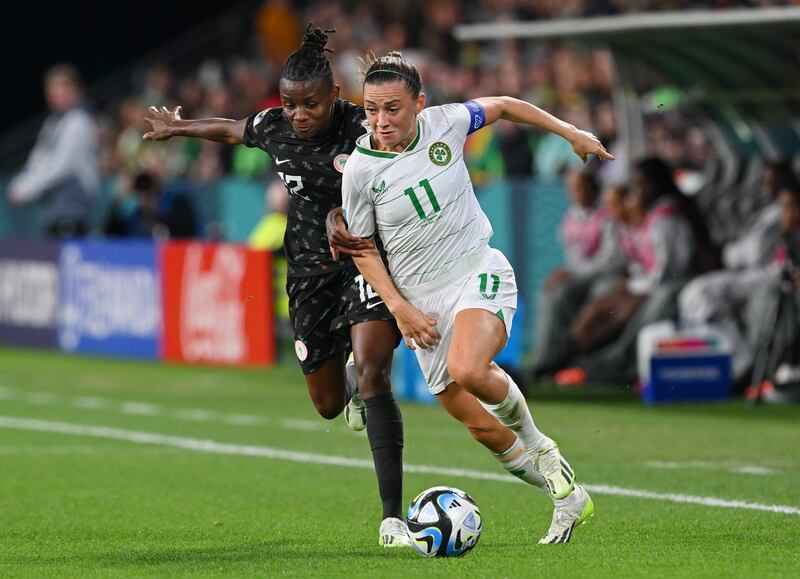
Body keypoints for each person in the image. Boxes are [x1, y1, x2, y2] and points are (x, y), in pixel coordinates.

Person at [143, 27, 410, 548]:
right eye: (290, 105)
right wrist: (181, 128)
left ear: (335, 95)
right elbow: (234, 129)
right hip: (309, 276)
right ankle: (350, 382)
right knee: (329, 404)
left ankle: (392, 518)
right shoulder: (275, 128)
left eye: (310, 104)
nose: (299, 115)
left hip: (366, 264)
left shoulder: (363, 128)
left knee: (377, 374)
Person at [333, 51, 612, 544]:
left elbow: (504, 105)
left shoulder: (447, 123)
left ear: (419, 103)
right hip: (420, 305)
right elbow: (363, 248)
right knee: (482, 429)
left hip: (475, 270)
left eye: (393, 108)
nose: (381, 120)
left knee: (468, 367)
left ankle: (542, 447)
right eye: (372, 109)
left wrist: (569, 132)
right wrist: (400, 308)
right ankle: (567, 499)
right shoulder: (359, 170)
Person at [530, 171, 627, 380]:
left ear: (594, 189)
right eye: (574, 189)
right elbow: (572, 256)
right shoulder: (570, 219)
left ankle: (559, 360)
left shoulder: (606, 218)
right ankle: (545, 357)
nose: (578, 193)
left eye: (583, 187)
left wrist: (573, 273)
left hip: (605, 275)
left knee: (566, 293)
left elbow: (609, 261)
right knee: (547, 293)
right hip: (581, 276)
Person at [7, 64, 99, 237]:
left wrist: (28, 189)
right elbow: (38, 159)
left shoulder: (78, 121)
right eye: (51, 92)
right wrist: (21, 183)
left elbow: (60, 167)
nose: (55, 96)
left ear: (74, 90)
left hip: (74, 208)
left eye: (61, 90)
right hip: (53, 210)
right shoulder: (52, 123)